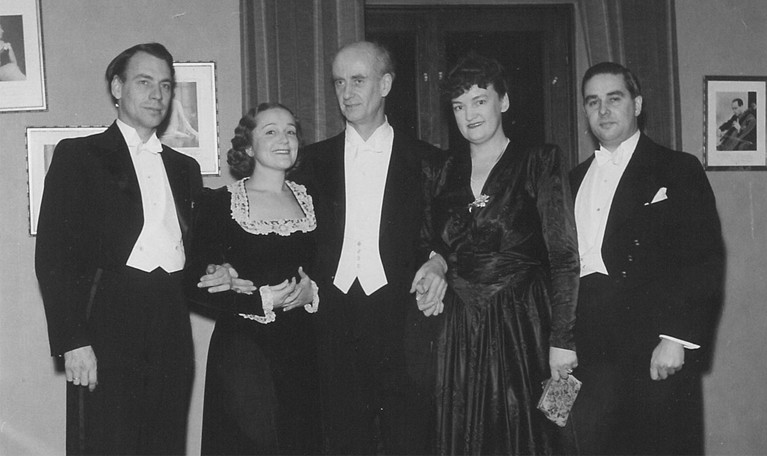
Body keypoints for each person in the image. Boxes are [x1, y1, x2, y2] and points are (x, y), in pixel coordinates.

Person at [35, 43, 202, 455]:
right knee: (106, 443)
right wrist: (73, 340)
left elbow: (196, 253)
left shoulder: (185, 169)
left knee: (165, 443)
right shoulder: (79, 156)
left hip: (171, 323)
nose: (157, 95)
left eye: (165, 85)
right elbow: (54, 257)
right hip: (106, 320)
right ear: (117, 87)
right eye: (144, 82)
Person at [414, 52, 580, 455]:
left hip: (523, 323)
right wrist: (435, 260)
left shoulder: (539, 161)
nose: (468, 114)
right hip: (459, 328)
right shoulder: (441, 171)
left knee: (531, 435)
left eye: (479, 100)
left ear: (502, 102)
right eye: (458, 105)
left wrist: (563, 338)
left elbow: (564, 255)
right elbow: (427, 239)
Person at [567, 61, 724, 455]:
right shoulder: (570, 181)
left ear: (636, 104)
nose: (602, 110)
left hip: (651, 344)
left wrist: (676, 337)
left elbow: (702, 258)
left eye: (613, 99)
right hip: (587, 347)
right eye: (592, 102)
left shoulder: (677, 168)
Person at [296, 40, 441, 454]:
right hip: (332, 319)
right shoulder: (311, 162)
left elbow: (450, 235)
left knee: (409, 438)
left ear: (386, 84)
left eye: (358, 80)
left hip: (404, 319)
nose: (347, 92)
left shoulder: (428, 161)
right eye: (339, 81)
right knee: (342, 439)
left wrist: (441, 262)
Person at [187, 103, 321, 455]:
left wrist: (313, 291)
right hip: (243, 353)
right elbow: (193, 283)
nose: (284, 139)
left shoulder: (315, 202)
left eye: (291, 131)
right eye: (271, 131)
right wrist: (257, 299)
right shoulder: (219, 205)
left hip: (303, 351)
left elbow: (332, 270)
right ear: (247, 146)